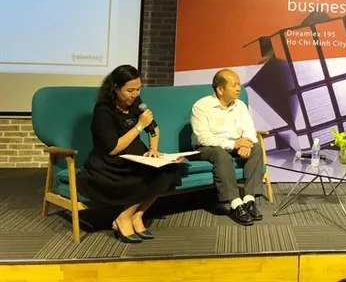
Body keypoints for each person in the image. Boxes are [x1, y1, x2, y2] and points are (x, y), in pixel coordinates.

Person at [77, 65, 182, 243]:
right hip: (110, 164)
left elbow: (153, 129)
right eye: (130, 90)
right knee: (144, 176)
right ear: (116, 88)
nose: (134, 94)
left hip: (136, 159)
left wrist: (153, 149)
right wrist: (139, 126)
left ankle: (136, 215)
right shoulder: (103, 111)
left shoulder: (136, 104)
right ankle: (123, 218)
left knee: (169, 169)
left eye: (138, 89)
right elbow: (114, 148)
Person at [190, 69, 264, 226]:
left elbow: (249, 129)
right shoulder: (201, 106)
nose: (239, 88)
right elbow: (204, 138)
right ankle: (235, 204)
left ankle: (249, 200)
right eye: (234, 85)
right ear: (220, 89)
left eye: (239, 84)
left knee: (256, 148)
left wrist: (247, 143)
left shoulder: (240, 105)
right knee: (220, 154)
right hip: (207, 148)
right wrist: (234, 144)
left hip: (236, 145)